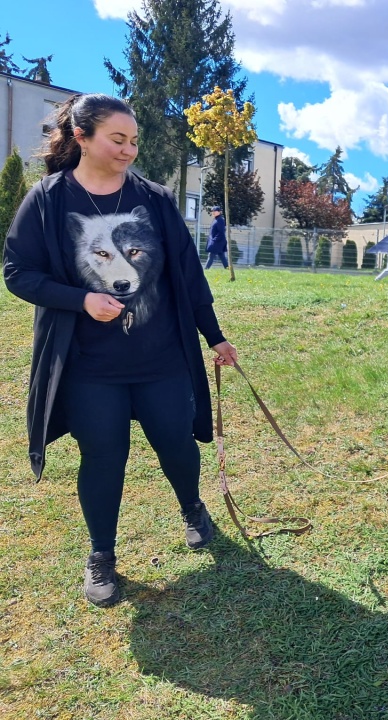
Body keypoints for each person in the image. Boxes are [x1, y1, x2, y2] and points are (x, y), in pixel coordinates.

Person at [2, 93, 238, 609]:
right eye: (117, 139)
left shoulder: (154, 199)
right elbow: (17, 273)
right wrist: (81, 299)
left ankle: (192, 507)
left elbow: (188, 275)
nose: (129, 150)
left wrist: (214, 335)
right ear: (82, 138)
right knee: (104, 456)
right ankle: (102, 555)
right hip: (89, 367)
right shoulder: (48, 200)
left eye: (133, 141)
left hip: (161, 359)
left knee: (176, 442)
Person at [204, 205, 228, 269]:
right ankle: (227, 268)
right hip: (216, 241)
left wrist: (215, 240)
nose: (213, 212)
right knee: (222, 256)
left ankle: (206, 269)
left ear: (219, 212)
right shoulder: (215, 219)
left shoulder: (220, 220)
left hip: (217, 242)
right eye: (212, 211)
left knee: (211, 256)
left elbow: (221, 232)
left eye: (215, 211)